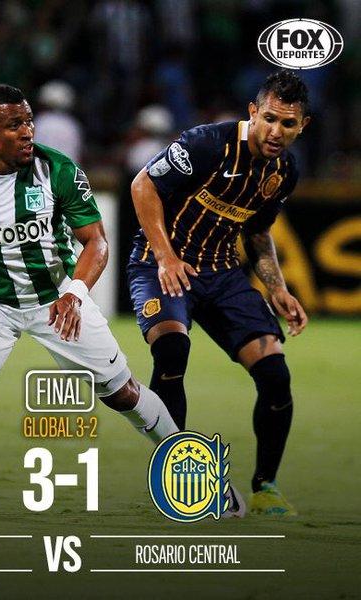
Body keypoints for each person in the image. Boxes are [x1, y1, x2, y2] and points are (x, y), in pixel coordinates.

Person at [0, 84, 228, 512]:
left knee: (123, 394)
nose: (27, 132)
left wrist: (74, 293)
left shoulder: (57, 169)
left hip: (58, 302)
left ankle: (196, 474)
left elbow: (97, 242)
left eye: (29, 121)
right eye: (14, 125)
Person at [128, 71, 310, 516]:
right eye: (270, 119)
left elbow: (258, 232)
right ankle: (175, 479)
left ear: (302, 126)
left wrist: (278, 289)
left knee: (275, 375)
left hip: (223, 273)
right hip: (160, 264)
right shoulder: (207, 143)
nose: (276, 131)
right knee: (171, 350)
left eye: (288, 123)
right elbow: (142, 185)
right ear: (253, 112)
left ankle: (266, 487)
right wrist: (166, 257)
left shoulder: (283, 172)